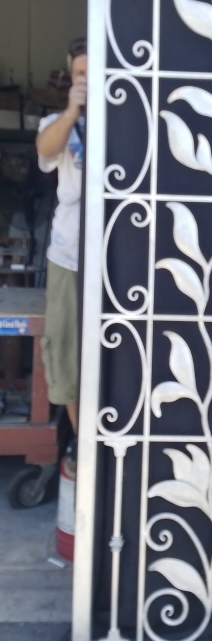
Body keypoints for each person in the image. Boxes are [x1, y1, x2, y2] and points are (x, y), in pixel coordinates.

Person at [36, 36, 87, 440]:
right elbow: (45, 148)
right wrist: (72, 112)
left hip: (121, 257)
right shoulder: (59, 122)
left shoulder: (133, 115)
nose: (86, 80)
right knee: (67, 352)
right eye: (79, 74)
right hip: (69, 255)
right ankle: (84, 444)